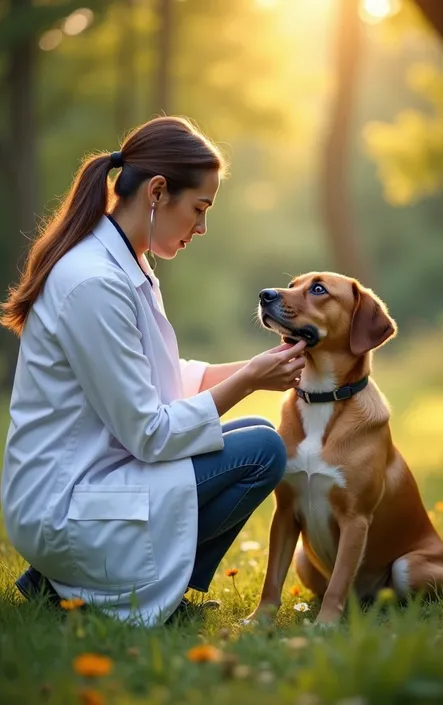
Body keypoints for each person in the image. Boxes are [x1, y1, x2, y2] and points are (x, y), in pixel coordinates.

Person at [0, 116, 306, 625]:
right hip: (65, 508)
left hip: (95, 480)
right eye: (199, 209)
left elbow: (164, 379)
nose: (202, 227)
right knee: (262, 450)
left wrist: (259, 366)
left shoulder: (126, 263)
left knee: (255, 431)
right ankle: (127, 591)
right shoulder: (92, 281)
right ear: (159, 192)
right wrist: (250, 379)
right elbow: (149, 433)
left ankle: (53, 585)